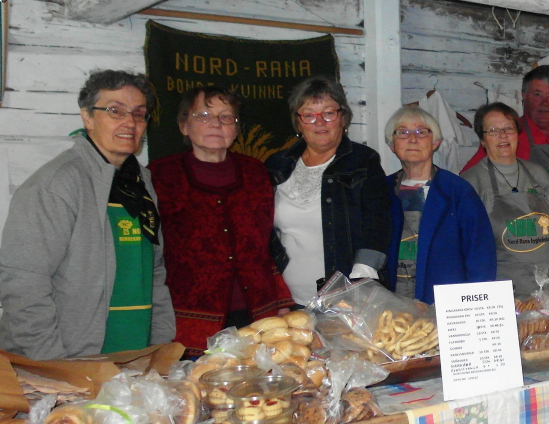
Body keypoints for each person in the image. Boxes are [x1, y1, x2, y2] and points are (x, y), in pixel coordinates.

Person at [0, 70, 175, 360]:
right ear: (87, 117)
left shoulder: (141, 183)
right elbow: (23, 284)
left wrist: (159, 346)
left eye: (139, 114)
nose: (129, 122)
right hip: (72, 363)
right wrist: (55, 366)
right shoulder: (57, 184)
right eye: (114, 111)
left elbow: (153, 270)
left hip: (134, 360)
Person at [148, 87, 293, 349]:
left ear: (236, 129)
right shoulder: (160, 177)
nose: (215, 124)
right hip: (185, 321)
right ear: (183, 126)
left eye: (226, 117)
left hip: (257, 318)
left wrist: (282, 303)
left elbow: (265, 244)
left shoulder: (255, 173)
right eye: (203, 115)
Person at [266, 76, 392, 305]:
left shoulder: (363, 162)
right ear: (298, 122)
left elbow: (379, 223)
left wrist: (359, 284)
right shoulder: (276, 165)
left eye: (328, 113)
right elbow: (262, 231)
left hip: (347, 299)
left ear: (342, 117)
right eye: (309, 115)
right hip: (286, 301)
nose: (319, 122)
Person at [385, 106, 496, 304]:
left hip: (445, 310)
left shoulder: (458, 192)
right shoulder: (380, 191)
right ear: (392, 145)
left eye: (421, 132)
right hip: (390, 307)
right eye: (403, 132)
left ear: (435, 142)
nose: (412, 139)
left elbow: (481, 258)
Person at [461, 103, 549, 296]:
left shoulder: (539, 175)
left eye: (509, 128)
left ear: (517, 133)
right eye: (493, 131)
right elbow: (466, 250)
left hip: (548, 293)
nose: (503, 135)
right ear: (482, 139)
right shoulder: (470, 183)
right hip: (501, 297)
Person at [461, 65, 549, 183]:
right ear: (524, 96)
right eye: (537, 94)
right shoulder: (507, 136)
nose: (545, 103)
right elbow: (465, 181)